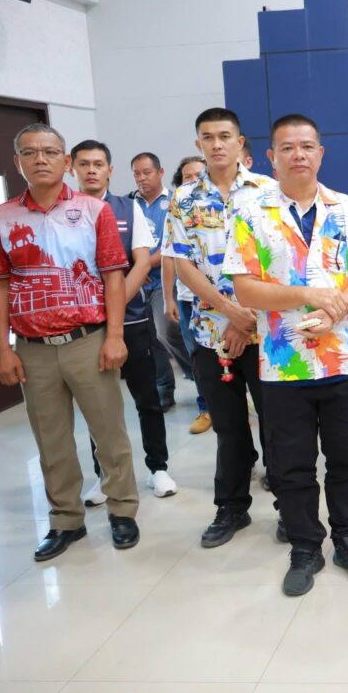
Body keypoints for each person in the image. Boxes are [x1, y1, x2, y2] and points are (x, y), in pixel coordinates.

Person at [227, 113, 348, 596]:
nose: (298, 154)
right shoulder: (250, 213)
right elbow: (245, 289)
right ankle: (304, 546)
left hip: (344, 359)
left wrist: (336, 307)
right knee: (290, 465)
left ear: (320, 153)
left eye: (307, 146)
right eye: (287, 147)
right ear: (271, 157)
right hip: (283, 365)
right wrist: (307, 296)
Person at [0, 124, 140, 561]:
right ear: (17, 162)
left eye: (50, 152)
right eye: (30, 153)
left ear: (65, 161)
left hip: (88, 341)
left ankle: (122, 511)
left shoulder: (92, 210)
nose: (41, 159)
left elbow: (113, 276)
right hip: (32, 348)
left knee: (109, 433)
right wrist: (2, 349)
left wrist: (114, 335)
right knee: (51, 440)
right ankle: (66, 519)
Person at [165, 107, 277, 548]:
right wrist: (230, 311)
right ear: (198, 144)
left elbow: (279, 259)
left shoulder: (268, 191)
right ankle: (231, 508)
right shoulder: (183, 199)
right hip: (211, 333)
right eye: (207, 137)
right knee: (229, 427)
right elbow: (183, 264)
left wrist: (247, 319)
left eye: (224, 136)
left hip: (266, 331)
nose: (216, 144)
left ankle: (290, 506)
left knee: (278, 424)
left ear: (239, 141)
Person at [72, 140, 178, 500]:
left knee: (147, 399)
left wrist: (112, 307)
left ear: (109, 170)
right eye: (84, 164)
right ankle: (104, 475)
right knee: (96, 406)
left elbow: (143, 262)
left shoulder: (128, 208)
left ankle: (158, 468)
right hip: (85, 326)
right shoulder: (64, 211)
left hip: (131, 320)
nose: (91, 170)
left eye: (98, 164)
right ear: (73, 168)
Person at [132, 151, 194, 410]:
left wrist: (144, 264)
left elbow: (172, 245)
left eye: (147, 172)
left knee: (166, 331)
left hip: (165, 281)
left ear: (160, 173)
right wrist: (135, 269)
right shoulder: (129, 205)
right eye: (136, 174)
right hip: (138, 282)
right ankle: (164, 389)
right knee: (149, 339)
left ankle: (199, 373)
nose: (141, 178)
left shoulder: (174, 202)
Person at [162, 156, 212, 435]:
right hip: (188, 298)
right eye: (187, 177)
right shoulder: (176, 210)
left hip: (228, 297)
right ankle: (206, 408)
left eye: (198, 174)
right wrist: (168, 298)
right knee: (198, 355)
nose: (193, 180)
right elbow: (168, 256)